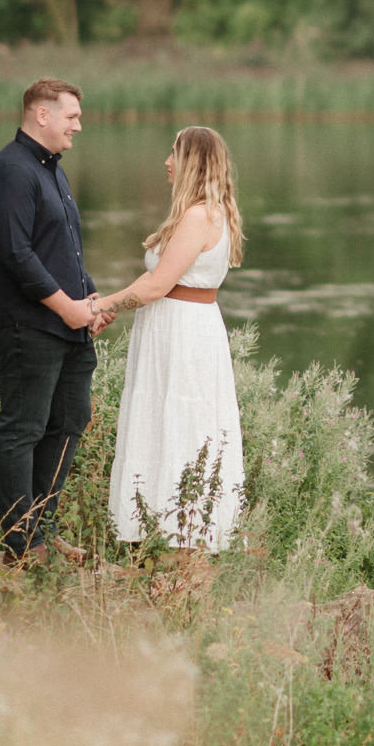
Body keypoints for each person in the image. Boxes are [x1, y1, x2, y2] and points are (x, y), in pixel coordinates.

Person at [95, 125, 245, 551]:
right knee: (165, 421)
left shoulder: (199, 217)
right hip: (178, 328)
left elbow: (158, 286)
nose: (166, 162)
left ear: (192, 163)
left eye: (174, 154)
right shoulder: (205, 213)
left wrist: (98, 306)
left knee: (181, 423)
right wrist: (113, 305)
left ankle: (181, 540)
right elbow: (154, 280)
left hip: (183, 334)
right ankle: (159, 536)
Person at [0, 78, 101, 564]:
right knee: (23, 429)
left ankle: (43, 529)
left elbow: (62, 250)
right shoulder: (10, 170)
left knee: (70, 420)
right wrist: (67, 307)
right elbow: (17, 255)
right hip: (25, 326)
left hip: (67, 325)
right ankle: (22, 544)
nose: (78, 126)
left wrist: (91, 300)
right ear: (41, 115)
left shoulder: (52, 171)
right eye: (72, 116)